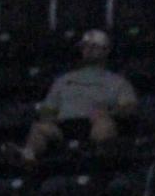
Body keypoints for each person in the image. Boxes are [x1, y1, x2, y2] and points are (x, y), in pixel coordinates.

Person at [17, 27, 138, 161]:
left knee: (104, 125)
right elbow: (48, 109)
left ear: (106, 50)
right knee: (39, 128)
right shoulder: (63, 80)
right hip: (64, 126)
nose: (88, 50)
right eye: (85, 46)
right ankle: (27, 158)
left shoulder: (118, 81)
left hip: (95, 123)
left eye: (94, 46)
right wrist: (48, 117)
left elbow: (129, 107)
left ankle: (101, 161)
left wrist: (109, 112)